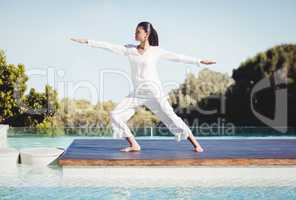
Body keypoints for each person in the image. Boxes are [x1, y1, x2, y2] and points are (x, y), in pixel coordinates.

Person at [71, 21, 216, 152]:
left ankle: (196, 144)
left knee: (171, 117)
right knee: (115, 115)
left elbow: (178, 57)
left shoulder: (156, 51)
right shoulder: (129, 49)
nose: (135, 34)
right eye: (135, 31)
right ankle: (134, 144)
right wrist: (88, 41)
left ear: (146, 34)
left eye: (138, 31)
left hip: (155, 92)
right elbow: (108, 46)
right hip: (137, 93)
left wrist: (200, 61)